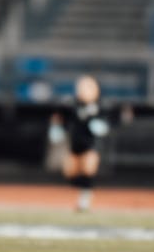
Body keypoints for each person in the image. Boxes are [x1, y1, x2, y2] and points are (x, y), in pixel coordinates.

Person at [48, 75, 132, 212]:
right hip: (74, 146)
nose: (84, 90)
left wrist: (106, 125)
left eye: (88, 87)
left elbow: (120, 117)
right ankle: (85, 190)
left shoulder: (103, 105)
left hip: (92, 145)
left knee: (88, 167)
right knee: (71, 175)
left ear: (96, 89)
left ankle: (84, 201)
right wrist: (56, 128)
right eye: (81, 87)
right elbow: (58, 116)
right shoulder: (70, 104)